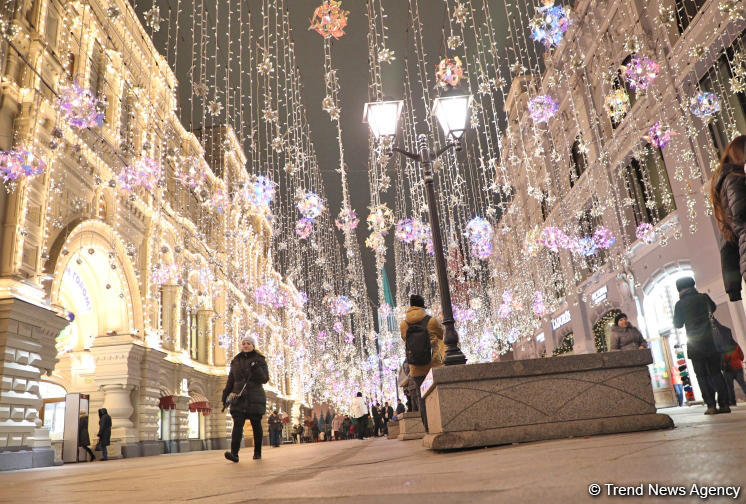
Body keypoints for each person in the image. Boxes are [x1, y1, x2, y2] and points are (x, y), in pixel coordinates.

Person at [673, 277, 731, 415]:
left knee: (701, 376)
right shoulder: (703, 297)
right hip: (710, 341)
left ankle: (711, 405)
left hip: (695, 344)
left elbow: (678, 324)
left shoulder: (680, 304)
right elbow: (713, 308)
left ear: (679, 289)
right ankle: (724, 404)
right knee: (717, 373)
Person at [400, 294, 445, 433]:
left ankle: (428, 429)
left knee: (422, 398)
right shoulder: (431, 321)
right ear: (422, 306)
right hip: (433, 365)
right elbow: (441, 334)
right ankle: (441, 424)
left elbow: (404, 339)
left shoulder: (404, 324)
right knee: (437, 395)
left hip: (416, 368)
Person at [221, 335, 270, 462]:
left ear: (253, 345)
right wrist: (225, 395)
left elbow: (264, 379)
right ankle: (234, 454)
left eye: (248, 343)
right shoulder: (236, 361)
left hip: (255, 396)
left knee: (256, 425)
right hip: (239, 397)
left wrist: (257, 368)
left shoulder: (260, 359)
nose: (246, 345)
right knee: (237, 425)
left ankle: (257, 452)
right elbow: (231, 380)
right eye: (244, 343)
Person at [711, 135, 746, 303]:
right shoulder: (735, 180)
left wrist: (732, 286)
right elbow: (741, 212)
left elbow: (727, 240)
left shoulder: (726, 184)